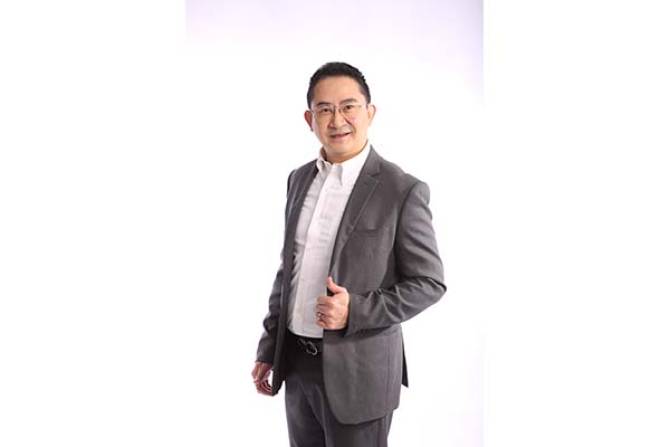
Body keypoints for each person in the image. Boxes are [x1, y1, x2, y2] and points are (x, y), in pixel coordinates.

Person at [251, 61, 446, 447]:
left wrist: (354, 310)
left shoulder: (401, 190)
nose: (337, 119)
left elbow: (429, 283)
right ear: (309, 119)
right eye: (324, 109)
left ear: (369, 113)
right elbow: (289, 269)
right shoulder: (298, 179)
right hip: (297, 365)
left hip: (361, 374)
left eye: (348, 107)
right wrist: (270, 346)